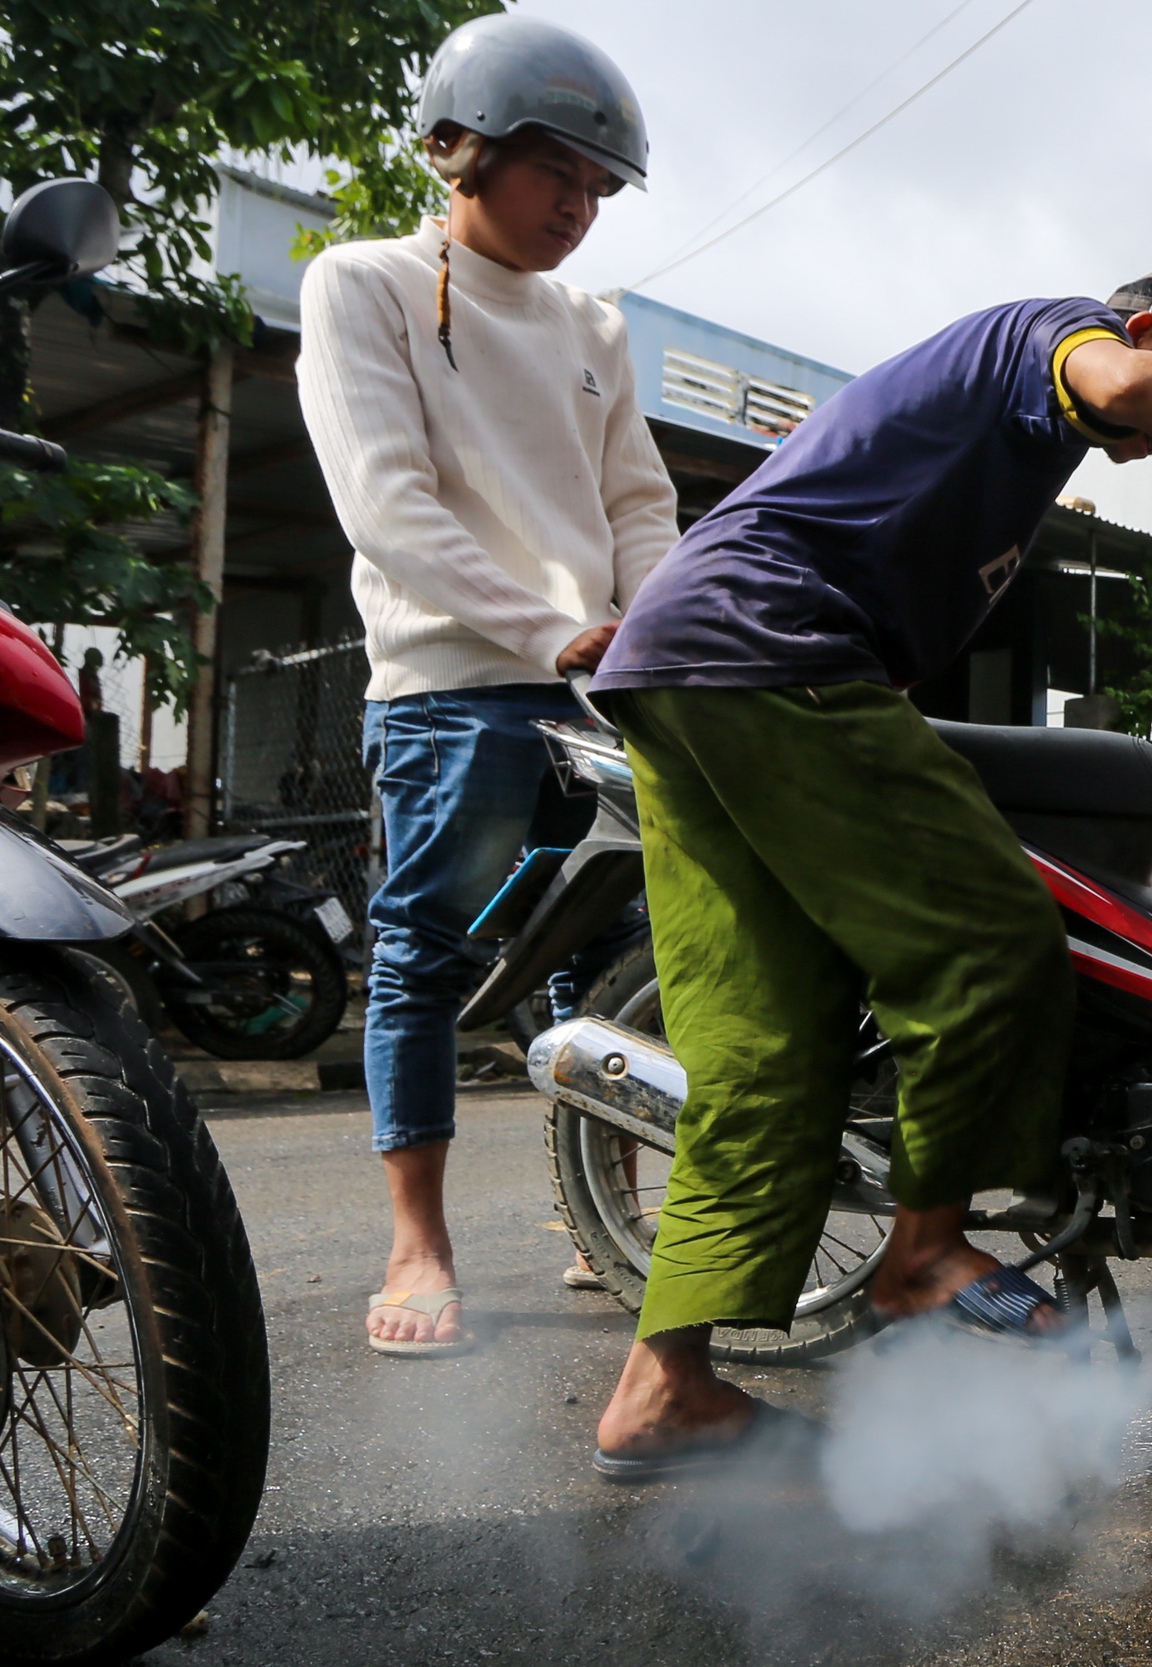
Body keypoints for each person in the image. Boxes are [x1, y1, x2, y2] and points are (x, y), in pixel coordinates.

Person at [581, 264, 1152, 1475]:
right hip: (764, 650)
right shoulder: (1056, 337)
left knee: (761, 1054)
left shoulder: (1006, 440)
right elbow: (1122, 378)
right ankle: (921, 1255)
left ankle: (661, 1390)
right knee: (990, 941)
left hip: (687, 661)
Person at [297, 14, 677, 1358]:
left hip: (599, 689)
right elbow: (386, 505)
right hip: (455, 682)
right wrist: (549, 625)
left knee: (606, 962)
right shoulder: (364, 282)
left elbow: (638, 501)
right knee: (426, 951)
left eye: (598, 186)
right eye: (553, 173)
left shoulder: (595, 322)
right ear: (462, 150)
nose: (579, 206)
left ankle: (599, 1214)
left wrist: (652, 622)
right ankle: (420, 1238)